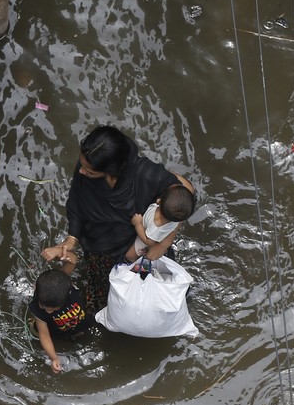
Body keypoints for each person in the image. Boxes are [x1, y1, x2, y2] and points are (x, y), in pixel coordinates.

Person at [40, 126, 194, 308]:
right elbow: (76, 200)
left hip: (138, 246)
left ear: (111, 170)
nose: (81, 172)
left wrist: (164, 243)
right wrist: (72, 238)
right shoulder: (86, 167)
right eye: (82, 166)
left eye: (90, 172)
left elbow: (184, 195)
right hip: (98, 247)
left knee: (145, 293)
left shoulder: (146, 175)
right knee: (107, 293)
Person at [28, 266, 93, 372]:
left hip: (78, 324)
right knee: (35, 330)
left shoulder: (70, 290)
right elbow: (44, 335)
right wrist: (54, 358)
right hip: (56, 330)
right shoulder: (37, 308)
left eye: (52, 309)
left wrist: (66, 256)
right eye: (44, 308)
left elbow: (71, 263)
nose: (48, 311)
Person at [125, 183, 196, 266]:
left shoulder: (156, 227)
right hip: (156, 235)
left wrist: (137, 224)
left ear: (159, 201)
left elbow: (148, 241)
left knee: (129, 255)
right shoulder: (175, 217)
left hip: (147, 237)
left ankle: (136, 263)